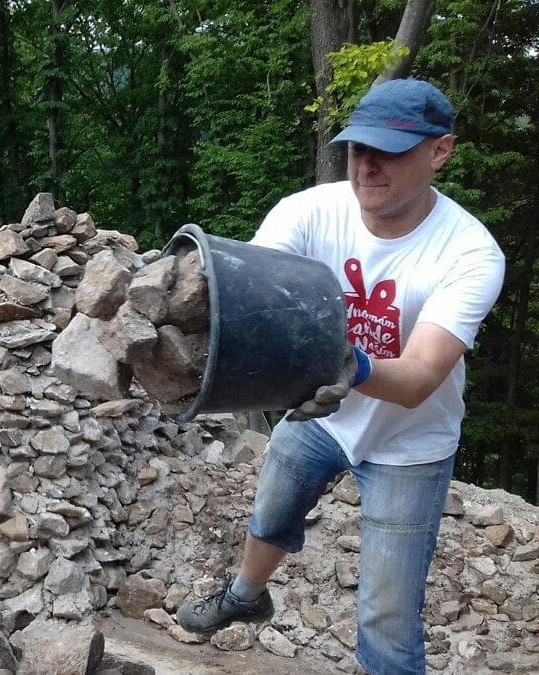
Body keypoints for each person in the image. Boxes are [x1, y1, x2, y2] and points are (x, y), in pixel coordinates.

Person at [174, 79, 504, 674]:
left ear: (441, 151)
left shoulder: (469, 254)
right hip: (317, 414)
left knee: (386, 615)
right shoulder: (308, 212)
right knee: (273, 509)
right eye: (357, 149)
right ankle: (246, 597)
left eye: (390, 151)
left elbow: (422, 375)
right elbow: (250, 302)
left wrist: (343, 365)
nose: (367, 166)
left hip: (409, 442)